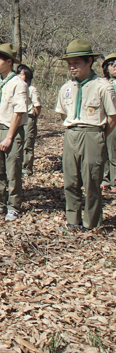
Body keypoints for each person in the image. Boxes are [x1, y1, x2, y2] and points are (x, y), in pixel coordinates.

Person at [55, 40, 116, 231]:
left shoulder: (102, 86)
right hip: (71, 134)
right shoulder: (66, 87)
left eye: (77, 63)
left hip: (93, 134)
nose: (72, 68)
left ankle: (92, 223)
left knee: (91, 183)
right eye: (69, 64)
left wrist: (99, 138)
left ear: (89, 61)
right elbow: (63, 113)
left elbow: (112, 117)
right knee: (71, 181)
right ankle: (73, 221)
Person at [0, 43, 28, 221]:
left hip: (12, 132)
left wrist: (9, 137)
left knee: (13, 171)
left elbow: (18, 112)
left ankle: (13, 206)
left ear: (9, 62)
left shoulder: (18, 83)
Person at [17, 65, 42, 176]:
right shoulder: (17, 88)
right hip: (18, 118)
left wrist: (33, 117)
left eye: (21, 74)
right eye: (18, 73)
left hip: (29, 117)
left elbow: (37, 106)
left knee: (28, 143)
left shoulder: (31, 89)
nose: (19, 76)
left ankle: (27, 168)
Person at [101, 53, 116, 194]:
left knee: (113, 151)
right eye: (112, 64)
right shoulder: (102, 83)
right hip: (103, 120)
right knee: (104, 150)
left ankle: (114, 182)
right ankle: (105, 179)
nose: (115, 66)